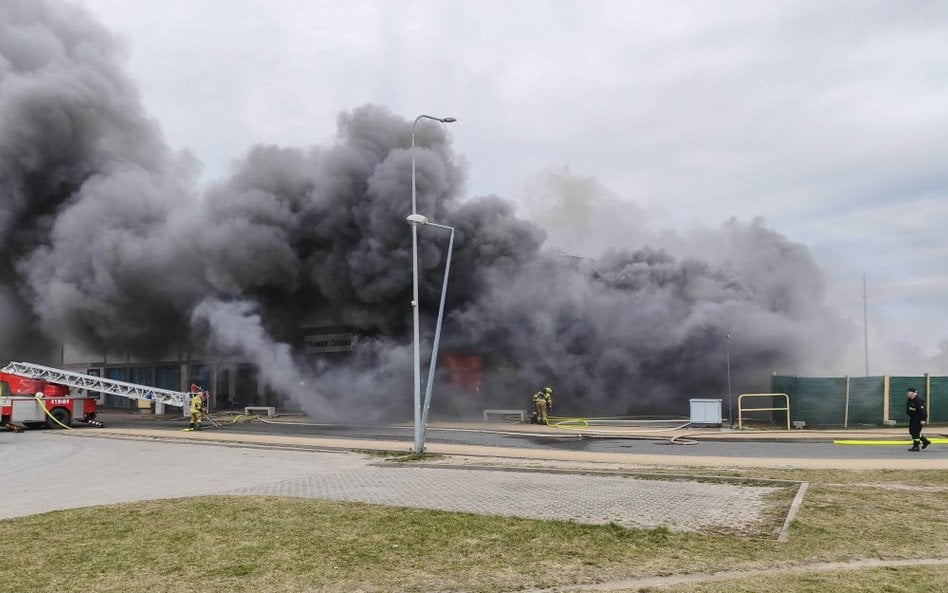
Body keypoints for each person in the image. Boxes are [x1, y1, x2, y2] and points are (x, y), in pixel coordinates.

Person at [906, 387, 931, 452]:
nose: (907, 393)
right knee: (912, 432)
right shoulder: (910, 400)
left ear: (913, 393)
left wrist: (923, 419)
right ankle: (925, 441)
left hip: (918, 418)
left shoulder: (918, 401)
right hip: (912, 418)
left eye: (909, 392)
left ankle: (916, 446)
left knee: (915, 432)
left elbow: (923, 411)